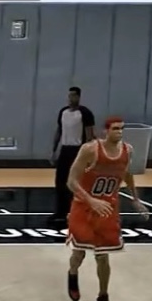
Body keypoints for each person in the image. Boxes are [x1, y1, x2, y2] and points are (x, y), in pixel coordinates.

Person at [65, 116, 146, 301]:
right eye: (116, 129)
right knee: (79, 254)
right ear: (106, 131)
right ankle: (72, 273)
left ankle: (103, 297)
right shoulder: (90, 149)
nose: (119, 132)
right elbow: (71, 181)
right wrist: (91, 200)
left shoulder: (127, 150)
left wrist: (135, 199)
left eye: (122, 129)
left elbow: (126, 174)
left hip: (108, 207)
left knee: (102, 255)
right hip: (83, 205)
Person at [51, 87, 96, 223]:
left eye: (73, 96)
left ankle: (77, 211)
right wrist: (54, 150)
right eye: (69, 96)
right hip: (65, 149)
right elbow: (59, 131)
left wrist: (89, 155)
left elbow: (90, 135)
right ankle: (61, 211)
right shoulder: (63, 112)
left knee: (76, 182)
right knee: (60, 181)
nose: (70, 98)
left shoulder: (85, 113)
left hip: (78, 150)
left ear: (78, 97)